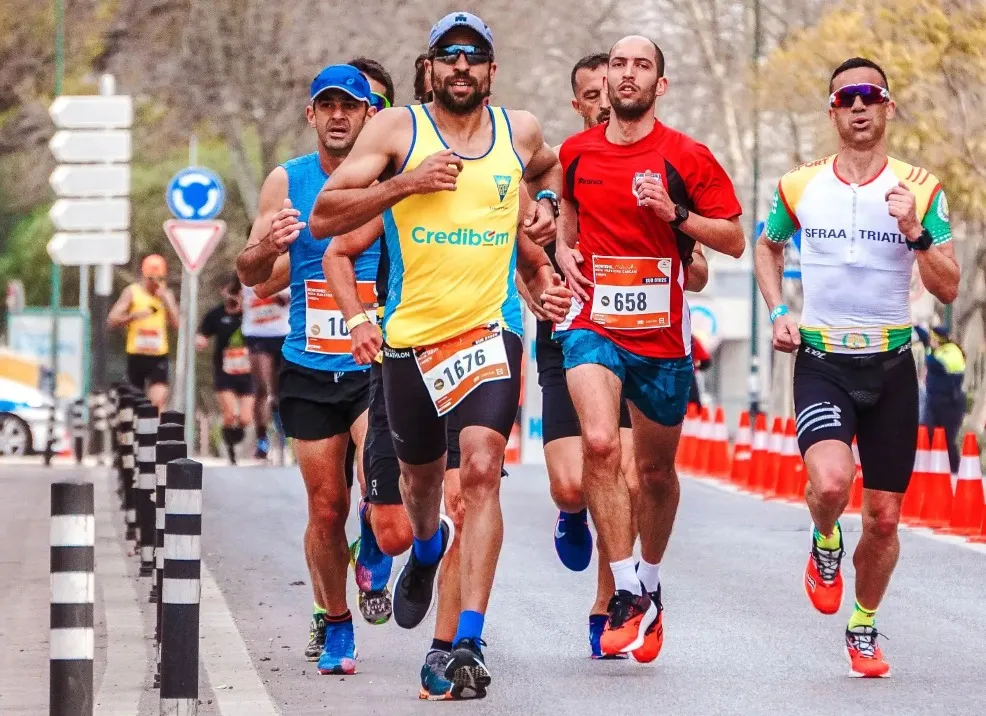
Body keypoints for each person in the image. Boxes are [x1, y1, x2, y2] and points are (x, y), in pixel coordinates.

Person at [312, 11, 569, 699]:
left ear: (492, 70)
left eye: (474, 55)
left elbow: (550, 168)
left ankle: (464, 640)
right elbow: (325, 218)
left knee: (481, 471)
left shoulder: (520, 130)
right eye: (448, 56)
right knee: (422, 502)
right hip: (410, 343)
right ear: (429, 68)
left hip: (490, 331)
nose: (462, 66)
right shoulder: (397, 131)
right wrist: (406, 183)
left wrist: (544, 203)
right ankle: (427, 552)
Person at [754, 57, 959, 677]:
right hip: (822, 361)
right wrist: (776, 311)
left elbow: (948, 288)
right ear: (833, 111)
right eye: (847, 97)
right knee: (834, 485)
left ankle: (864, 626)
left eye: (871, 95)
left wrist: (916, 232)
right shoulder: (798, 185)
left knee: (887, 515)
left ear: (889, 106)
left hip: (893, 364)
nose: (859, 106)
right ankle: (823, 540)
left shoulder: (921, 188)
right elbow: (768, 245)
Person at [554, 35, 745, 663]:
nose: (627, 74)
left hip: (663, 340)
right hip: (595, 324)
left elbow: (735, 240)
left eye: (642, 66)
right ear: (604, 82)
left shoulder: (687, 155)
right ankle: (625, 586)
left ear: (659, 85)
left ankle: (651, 582)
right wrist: (562, 249)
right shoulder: (578, 152)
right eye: (618, 64)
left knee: (657, 475)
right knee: (603, 445)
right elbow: (568, 221)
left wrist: (676, 214)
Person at [235, 64, 382, 677]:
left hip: (375, 360)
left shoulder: (392, 180)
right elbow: (250, 276)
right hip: (307, 363)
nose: (339, 115)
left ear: (370, 113)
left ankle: (376, 539)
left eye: (350, 105)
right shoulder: (286, 180)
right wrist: (270, 245)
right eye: (328, 106)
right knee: (326, 508)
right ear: (312, 115)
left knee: (381, 489)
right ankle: (338, 623)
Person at [107, 254, 180, 410]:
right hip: (137, 355)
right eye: (151, 279)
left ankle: (155, 433)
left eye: (159, 279)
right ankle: (135, 431)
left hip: (158, 356)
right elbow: (112, 319)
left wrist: (167, 301)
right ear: (144, 276)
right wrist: (132, 316)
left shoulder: (166, 295)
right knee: (135, 403)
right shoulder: (132, 292)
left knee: (158, 400)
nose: (155, 283)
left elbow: (176, 324)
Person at [196, 276, 254, 464]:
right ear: (224, 291)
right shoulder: (216, 314)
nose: (235, 295)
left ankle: (237, 441)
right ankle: (230, 449)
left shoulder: (249, 314)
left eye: (239, 292)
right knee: (231, 414)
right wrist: (200, 340)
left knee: (245, 418)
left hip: (247, 373)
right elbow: (202, 334)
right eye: (231, 291)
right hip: (225, 372)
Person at [240, 281, 290, 460]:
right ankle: (262, 439)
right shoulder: (248, 267)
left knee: (281, 390)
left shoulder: (286, 264)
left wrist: (283, 298)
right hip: (257, 334)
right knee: (262, 387)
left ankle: (285, 430)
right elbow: (231, 293)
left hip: (283, 332)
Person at [915, 324, 966, 473]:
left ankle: (955, 473)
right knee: (927, 433)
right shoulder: (936, 349)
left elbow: (936, 364)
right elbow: (926, 340)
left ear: (938, 340)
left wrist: (928, 351)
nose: (930, 341)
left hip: (950, 403)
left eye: (933, 339)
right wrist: (916, 325)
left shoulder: (952, 351)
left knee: (947, 439)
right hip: (934, 402)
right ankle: (930, 470)